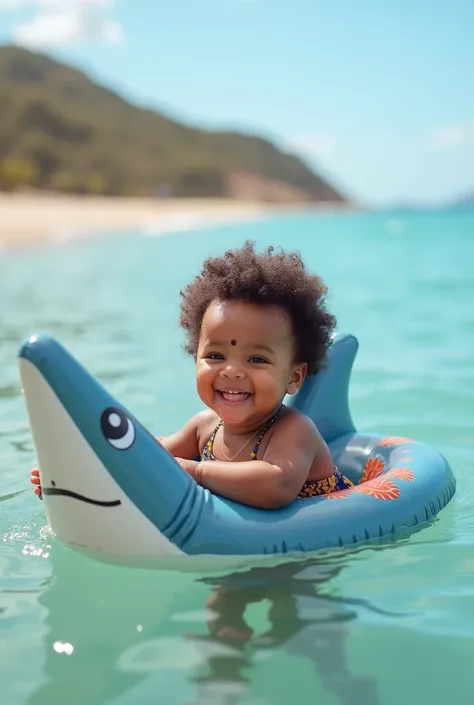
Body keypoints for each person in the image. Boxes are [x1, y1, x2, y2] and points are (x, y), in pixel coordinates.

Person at [30, 240, 353, 508]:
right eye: (215, 355)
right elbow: (146, 460)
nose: (231, 370)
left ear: (294, 377)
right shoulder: (203, 428)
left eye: (256, 359)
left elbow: (277, 485)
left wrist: (193, 472)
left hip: (311, 546)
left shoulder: (293, 430)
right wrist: (77, 475)